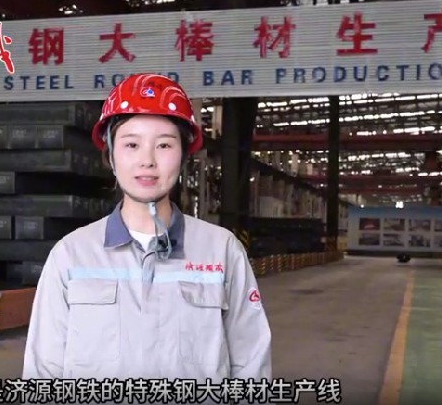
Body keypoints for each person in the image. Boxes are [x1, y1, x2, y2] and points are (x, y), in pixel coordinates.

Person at [21, 74, 272, 384]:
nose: (147, 160)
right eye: (132, 144)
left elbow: (251, 365)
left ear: (183, 156)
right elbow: (43, 372)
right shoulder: (71, 256)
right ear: (111, 155)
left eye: (164, 145)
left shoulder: (222, 251)